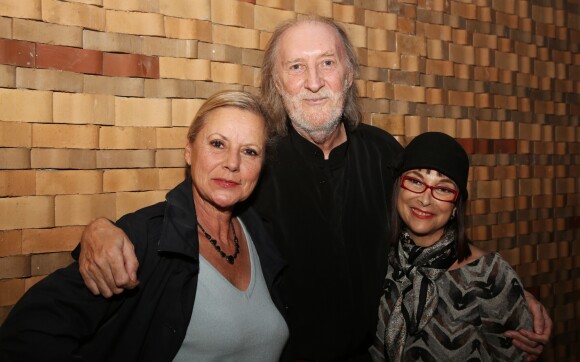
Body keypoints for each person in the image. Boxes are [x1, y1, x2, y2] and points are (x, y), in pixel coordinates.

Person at [75, 16, 551, 360]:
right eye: (296, 67)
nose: (315, 82)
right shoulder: (255, 160)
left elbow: (429, 218)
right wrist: (99, 232)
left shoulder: (384, 151)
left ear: (348, 75)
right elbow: (187, 216)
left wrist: (499, 289)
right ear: (276, 84)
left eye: (327, 63)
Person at [0, 90, 290, 362]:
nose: (232, 163)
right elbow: (27, 333)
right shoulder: (148, 238)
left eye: (249, 151)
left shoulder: (263, 237)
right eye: (217, 144)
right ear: (188, 151)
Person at [370, 132, 535, 361]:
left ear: (456, 206)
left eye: (444, 189)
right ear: (398, 187)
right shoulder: (377, 259)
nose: (426, 199)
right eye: (416, 181)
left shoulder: (489, 276)